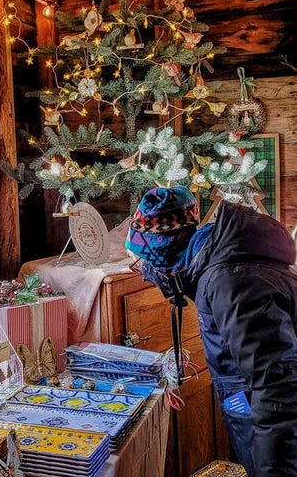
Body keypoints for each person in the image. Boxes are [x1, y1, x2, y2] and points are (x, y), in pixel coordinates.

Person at [125, 186, 296, 477]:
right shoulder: (219, 271)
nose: (143, 272)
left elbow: (277, 388)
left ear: (164, 253)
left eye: (144, 261)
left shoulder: (229, 283)